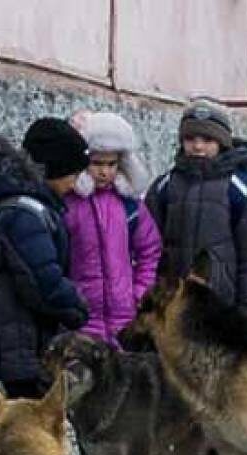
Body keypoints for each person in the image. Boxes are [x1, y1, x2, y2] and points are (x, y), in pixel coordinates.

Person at [0, 117, 89, 398]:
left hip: (5, 343)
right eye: (73, 174)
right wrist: (77, 307)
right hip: (14, 348)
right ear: (53, 169)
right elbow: (43, 283)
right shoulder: (24, 215)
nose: (75, 183)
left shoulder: (20, 204)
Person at [145, 97, 247, 314]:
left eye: (207, 139)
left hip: (221, 304)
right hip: (171, 303)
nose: (198, 146)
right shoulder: (165, 186)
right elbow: (147, 245)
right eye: (190, 139)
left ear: (221, 142)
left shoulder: (240, 188)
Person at [64, 112, 162, 348]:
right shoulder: (68, 204)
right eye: (97, 163)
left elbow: (150, 251)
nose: (104, 172)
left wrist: (139, 292)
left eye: (111, 164)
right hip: (81, 318)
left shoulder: (130, 205)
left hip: (124, 318)